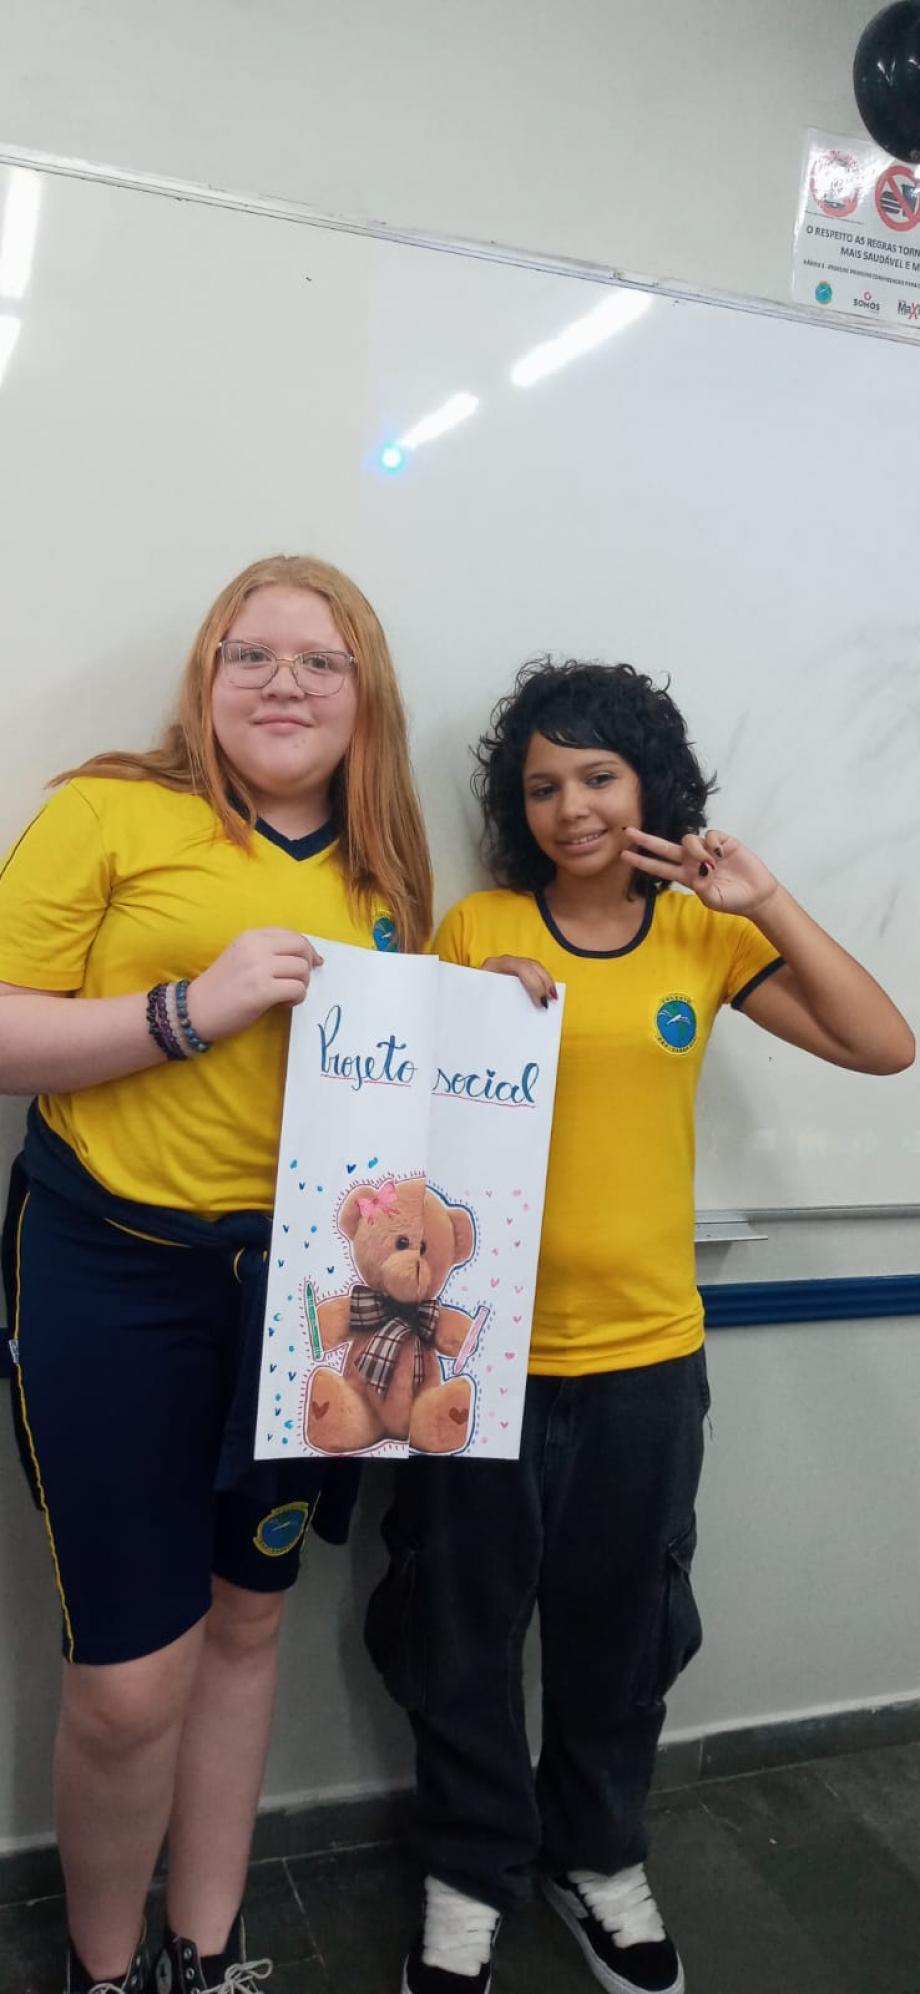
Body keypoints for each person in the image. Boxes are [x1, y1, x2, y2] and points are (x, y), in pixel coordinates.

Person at [365, 658, 915, 1994]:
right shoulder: (480, 927)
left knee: (622, 1634)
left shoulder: (701, 937)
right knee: (460, 1634)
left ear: (649, 785)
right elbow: (383, 1138)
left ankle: (596, 1856)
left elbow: (882, 1044)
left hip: (646, 1363)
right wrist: (462, 1019)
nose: (572, 807)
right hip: (471, 1363)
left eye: (598, 777)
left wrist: (762, 897)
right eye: (542, 785)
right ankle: (469, 1872)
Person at [0, 553, 432, 1994]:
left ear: (364, 692)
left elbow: (401, 1098)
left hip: (305, 1296)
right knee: (132, 1681)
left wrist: (494, 1023)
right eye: (252, 654)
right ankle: (104, 1972)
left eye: (320, 660)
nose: (284, 683)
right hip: (114, 1272)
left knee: (250, 1619)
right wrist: (192, 1007)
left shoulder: (387, 871)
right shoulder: (109, 809)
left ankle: (206, 1950)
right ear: (207, 675)